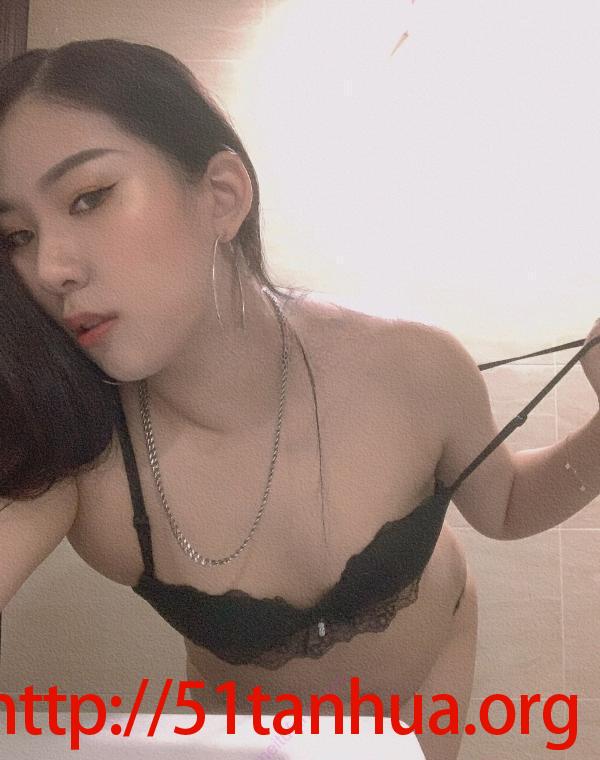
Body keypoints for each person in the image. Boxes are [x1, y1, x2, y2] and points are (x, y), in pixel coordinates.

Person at [0, 39, 598, 760]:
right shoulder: (76, 459)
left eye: (89, 197)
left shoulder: (413, 367)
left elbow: (505, 507)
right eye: (17, 235)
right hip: (252, 737)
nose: (49, 268)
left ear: (222, 195)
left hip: (428, 691)